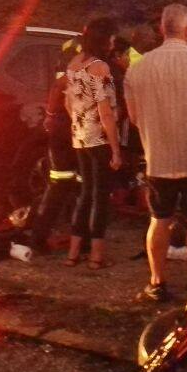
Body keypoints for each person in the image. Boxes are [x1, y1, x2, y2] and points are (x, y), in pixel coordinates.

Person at [125, 4, 187, 302]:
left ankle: (156, 282)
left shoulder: (138, 68)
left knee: (159, 219)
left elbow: (132, 117)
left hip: (159, 158)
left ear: (162, 29)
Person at [64, 17, 122, 269]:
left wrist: (79, 123)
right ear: (103, 38)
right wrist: (116, 149)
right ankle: (97, 255)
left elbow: (68, 102)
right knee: (100, 197)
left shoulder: (74, 64)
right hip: (99, 139)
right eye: (110, 38)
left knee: (84, 194)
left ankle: (73, 253)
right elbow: (105, 111)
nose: (113, 43)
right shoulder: (100, 68)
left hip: (79, 138)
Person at [30, 71, 78, 253]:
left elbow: (58, 85)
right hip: (80, 133)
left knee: (58, 187)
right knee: (84, 189)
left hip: (61, 128)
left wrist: (50, 115)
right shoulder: (95, 65)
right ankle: (81, 241)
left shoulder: (74, 59)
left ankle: (38, 237)